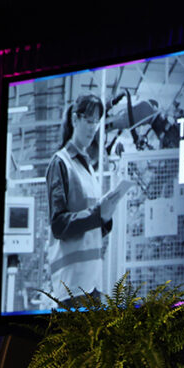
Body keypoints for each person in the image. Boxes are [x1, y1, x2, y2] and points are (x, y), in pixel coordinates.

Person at [46, 94, 131, 306]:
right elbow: (59, 225)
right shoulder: (61, 163)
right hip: (71, 287)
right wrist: (96, 215)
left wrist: (105, 219)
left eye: (97, 122)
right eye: (89, 120)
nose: (93, 127)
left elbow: (90, 228)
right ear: (75, 120)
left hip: (91, 283)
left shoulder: (87, 168)